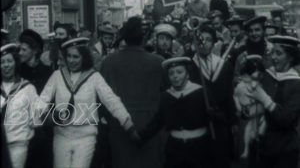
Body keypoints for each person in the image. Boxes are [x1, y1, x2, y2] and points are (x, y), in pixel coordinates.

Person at [37, 37, 137, 168]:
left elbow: (111, 101)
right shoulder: (57, 75)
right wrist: (45, 115)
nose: (71, 60)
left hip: (86, 135)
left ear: (84, 57)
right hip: (62, 135)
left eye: (76, 57)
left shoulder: (94, 77)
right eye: (69, 56)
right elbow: (42, 100)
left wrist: (128, 125)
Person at [100, 16, 166, 168]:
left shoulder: (109, 62)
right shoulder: (158, 62)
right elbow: (167, 95)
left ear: (124, 38)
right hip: (151, 125)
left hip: (119, 126)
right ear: (143, 38)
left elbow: (101, 98)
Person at [139, 57, 213, 168]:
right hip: (175, 148)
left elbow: (215, 120)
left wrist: (215, 116)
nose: (175, 76)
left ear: (187, 74)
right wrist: (141, 136)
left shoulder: (201, 92)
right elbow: (159, 120)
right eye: (171, 73)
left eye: (179, 72)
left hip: (199, 147)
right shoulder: (166, 96)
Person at [247, 35, 300, 168]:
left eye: (279, 53)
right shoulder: (267, 76)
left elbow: (287, 119)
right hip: (262, 146)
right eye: (272, 52)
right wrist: (247, 110)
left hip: (285, 149)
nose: (273, 58)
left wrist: (265, 99)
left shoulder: (296, 84)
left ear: (290, 57)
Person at [189, 25, 237, 168]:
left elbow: (230, 94)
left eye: (208, 40)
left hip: (220, 121)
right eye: (200, 40)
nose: (204, 43)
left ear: (214, 43)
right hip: (198, 122)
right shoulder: (189, 65)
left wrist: (233, 121)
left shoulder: (224, 65)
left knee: (220, 159)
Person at [18, 29, 53, 168]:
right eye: (19, 49)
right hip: (22, 132)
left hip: (44, 134)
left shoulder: (48, 73)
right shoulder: (18, 72)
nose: (19, 53)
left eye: (23, 49)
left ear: (35, 51)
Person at [1, 43, 40, 168]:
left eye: (9, 61)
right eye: (2, 62)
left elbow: (35, 120)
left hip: (17, 146)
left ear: (16, 63)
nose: (6, 65)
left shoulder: (28, 88)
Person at [233, 55, 266, 159]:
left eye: (258, 70)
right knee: (248, 128)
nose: (257, 73)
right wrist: (238, 107)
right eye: (254, 70)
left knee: (261, 123)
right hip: (248, 112)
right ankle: (246, 149)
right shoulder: (241, 85)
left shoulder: (261, 83)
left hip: (259, 110)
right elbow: (235, 96)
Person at [234, 16, 273, 82]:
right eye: (250, 31)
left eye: (257, 30)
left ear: (263, 31)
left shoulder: (271, 50)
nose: (254, 33)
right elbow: (235, 76)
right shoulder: (241, 51)